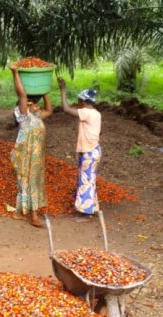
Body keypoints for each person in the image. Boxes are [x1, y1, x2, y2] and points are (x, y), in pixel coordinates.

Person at [9, 64, 53, 227]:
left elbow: (50, 110)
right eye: (35, 104)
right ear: (26, 105)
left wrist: (45, 92)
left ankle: (19, 212)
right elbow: (22, 94)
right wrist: (15, 73)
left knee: (29, 182)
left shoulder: (37, 116)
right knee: (29, 182)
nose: (38, 106)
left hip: (35, 157)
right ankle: (33, 217)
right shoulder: (24, 116)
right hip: (26, 156)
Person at [57, 77, 102, 219]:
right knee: (89, 179)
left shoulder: (87, 113)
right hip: (93, 150)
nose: (77, 104)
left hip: (89, 152)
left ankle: (86, 213)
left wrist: (63, 89)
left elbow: (65, 109)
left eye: (79, 101)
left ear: (84, 102)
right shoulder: (96, 114)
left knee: (86, 181)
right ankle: (91, 207)